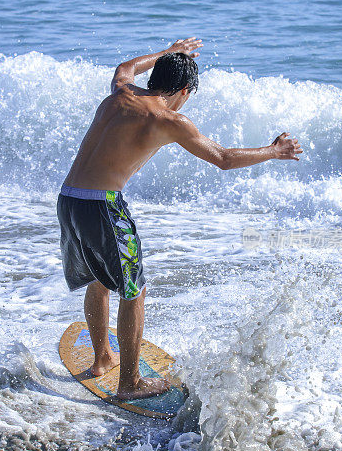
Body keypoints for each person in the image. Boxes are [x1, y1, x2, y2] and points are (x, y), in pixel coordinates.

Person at [57, 38, 302, 400]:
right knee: (133, 289)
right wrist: (274, 150)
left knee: (100, 277)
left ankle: (103, 359)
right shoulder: (167, 119)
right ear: (185, 90)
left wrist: (168, 51)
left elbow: (125, 66)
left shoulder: (120, 93)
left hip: (69, 198)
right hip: (103, 206)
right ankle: (130, 383)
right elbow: (223, 158)